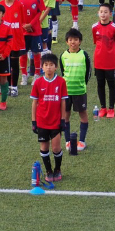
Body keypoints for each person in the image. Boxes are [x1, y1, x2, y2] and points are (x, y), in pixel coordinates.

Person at [31, 53, 68, 183]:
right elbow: (35, 102)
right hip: (42, 121)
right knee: (44, 147)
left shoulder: (61, 82)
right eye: (46, 65)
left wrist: (63, 120)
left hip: (56, 121)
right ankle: (49, 171)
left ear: (56, 67)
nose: (48, 68)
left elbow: (63, 102)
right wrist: (34, 121)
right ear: (42, 67)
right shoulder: (38, 82)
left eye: (51, 65)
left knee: (56, 148)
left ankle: (58, 169)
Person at [59, 28, 92, 150]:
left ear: (80, 41)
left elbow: (88, 72)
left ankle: (82, 141)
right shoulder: (63, 55)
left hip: (80, 91)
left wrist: (82, 84)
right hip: (66, 92)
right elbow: (63, 72)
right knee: (65, 115)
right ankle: (68, 141)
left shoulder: (84, 55)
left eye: (76, 40)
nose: (73, 42)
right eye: (71, 40)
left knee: (83, 114)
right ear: (67, 41)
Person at [92, 3, 115, 118]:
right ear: (98, 13)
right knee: (100, 84)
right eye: (101, 12)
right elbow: (95, 41)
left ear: (110, 14)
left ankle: (111, 108)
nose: (103, 14)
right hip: (98, 61)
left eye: (105, 12)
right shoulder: (94, 27)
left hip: (111, 61)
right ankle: (103, 107)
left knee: (111, 84)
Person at [0, 0, 27, 96]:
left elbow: (23, 22)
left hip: (15, 40)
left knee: (15, 64)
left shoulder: (19, 5)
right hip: (4, 41)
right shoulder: (0, 5)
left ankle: (14, 86)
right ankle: (7, 86)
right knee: (6, 64)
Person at [19, 0, 47, 82]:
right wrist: (23, 25)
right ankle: (24, 75)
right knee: (23, 53)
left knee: (36, 53)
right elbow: (17, 13)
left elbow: (39, 12)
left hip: (35, 31)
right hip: (23, 31)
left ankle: (36, 74)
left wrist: (30, 24)